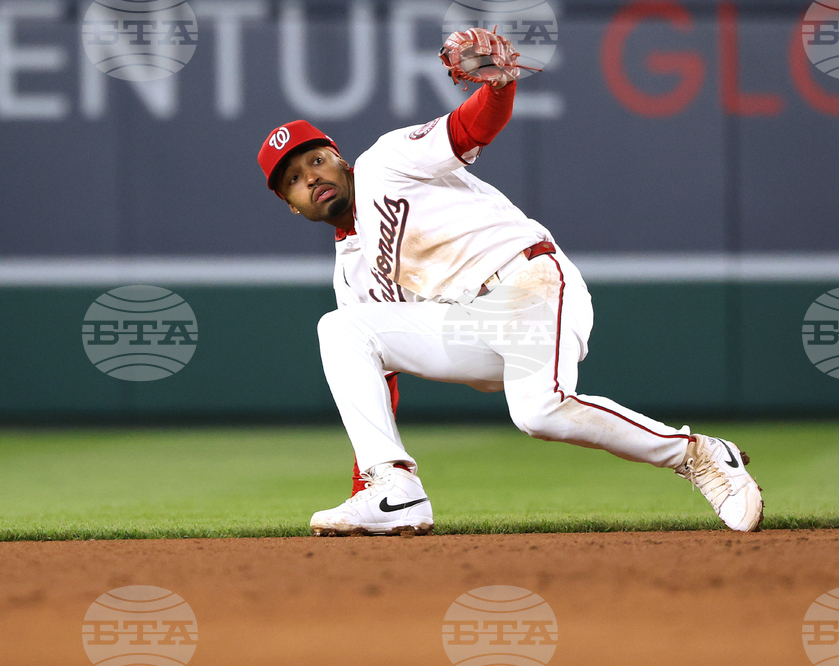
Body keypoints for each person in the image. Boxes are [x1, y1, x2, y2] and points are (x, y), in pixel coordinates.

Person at [256, 28, 764, 535]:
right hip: (469, 324)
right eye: (295, 180)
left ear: (339, 159)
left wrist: (498, 86)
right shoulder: (351, 269)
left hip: (526, 281)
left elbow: (468, 129)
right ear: (291, 204)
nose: (312, 178)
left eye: (316, 160)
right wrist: (367, 483)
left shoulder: (384, 163)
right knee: (343, 329)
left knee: (539, 414)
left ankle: (698, 455)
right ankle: (395, 492)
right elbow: (376, 384)